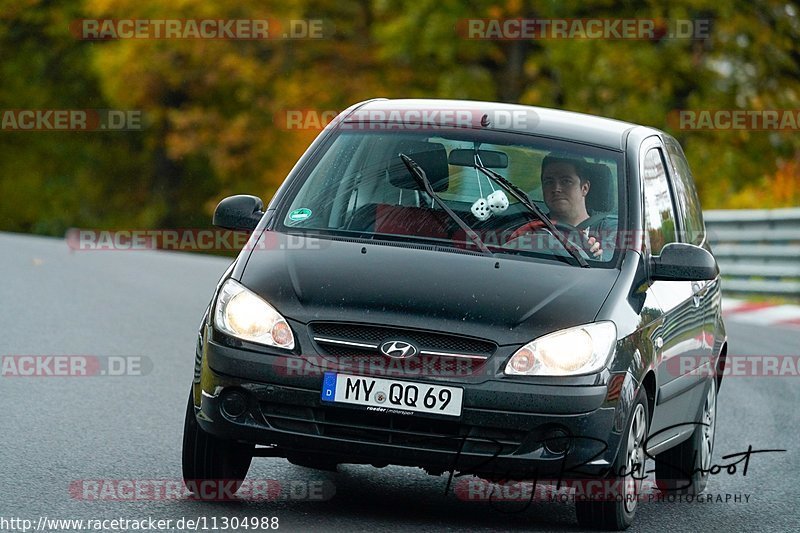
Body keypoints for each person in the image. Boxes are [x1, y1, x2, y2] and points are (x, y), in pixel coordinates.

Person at [508, 154, 615, 259]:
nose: (556, 188)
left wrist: (598, 256)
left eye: (566, 181)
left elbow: (614, 257)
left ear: (584, 188)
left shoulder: (610, 229)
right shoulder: (529, 228)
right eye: (549, 182)